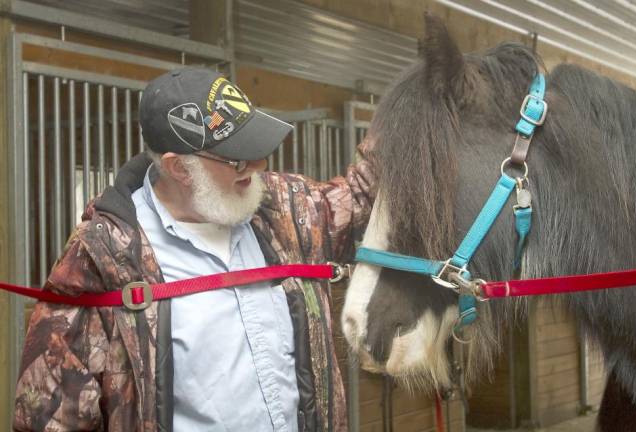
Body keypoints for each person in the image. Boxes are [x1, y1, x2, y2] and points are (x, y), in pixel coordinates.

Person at [13, 67, 375, 432]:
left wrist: (416, 97)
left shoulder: (284, 208)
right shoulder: (103, 257)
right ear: (179, 168)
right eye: (236, 158)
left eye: (258, 149)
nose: (259, 166)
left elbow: (363, 194)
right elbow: (51, 417)